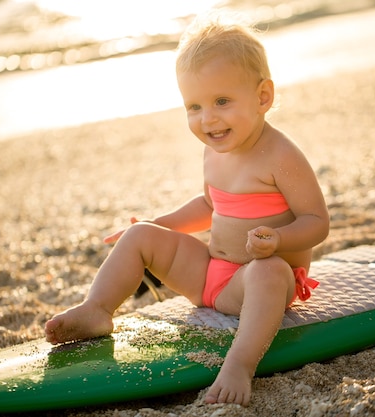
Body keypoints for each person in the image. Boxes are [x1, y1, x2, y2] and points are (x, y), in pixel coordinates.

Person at [44, 13, 329, 407]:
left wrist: (279, 239)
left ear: (263, 97)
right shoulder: (214, 152)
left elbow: (317, 222)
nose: (207, 118)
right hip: (209, 273)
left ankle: (240, 364)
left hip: (256, 285)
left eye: (222, 101)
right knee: (140, 235)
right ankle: (97, 309)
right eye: (193, 106)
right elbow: (210, 205)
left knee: (270, 270)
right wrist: (159, 224)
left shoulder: (280, 156)